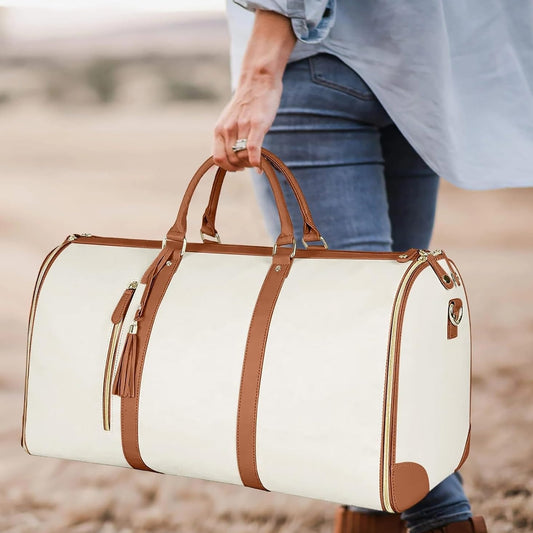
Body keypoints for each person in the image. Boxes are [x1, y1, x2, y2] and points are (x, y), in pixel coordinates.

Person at [212, 1, 533, 532]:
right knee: (391, 335)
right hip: (418, 71)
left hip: (315, 57)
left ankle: (442, 517)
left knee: (360, 337)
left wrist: (259, 70)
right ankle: (372, 512)